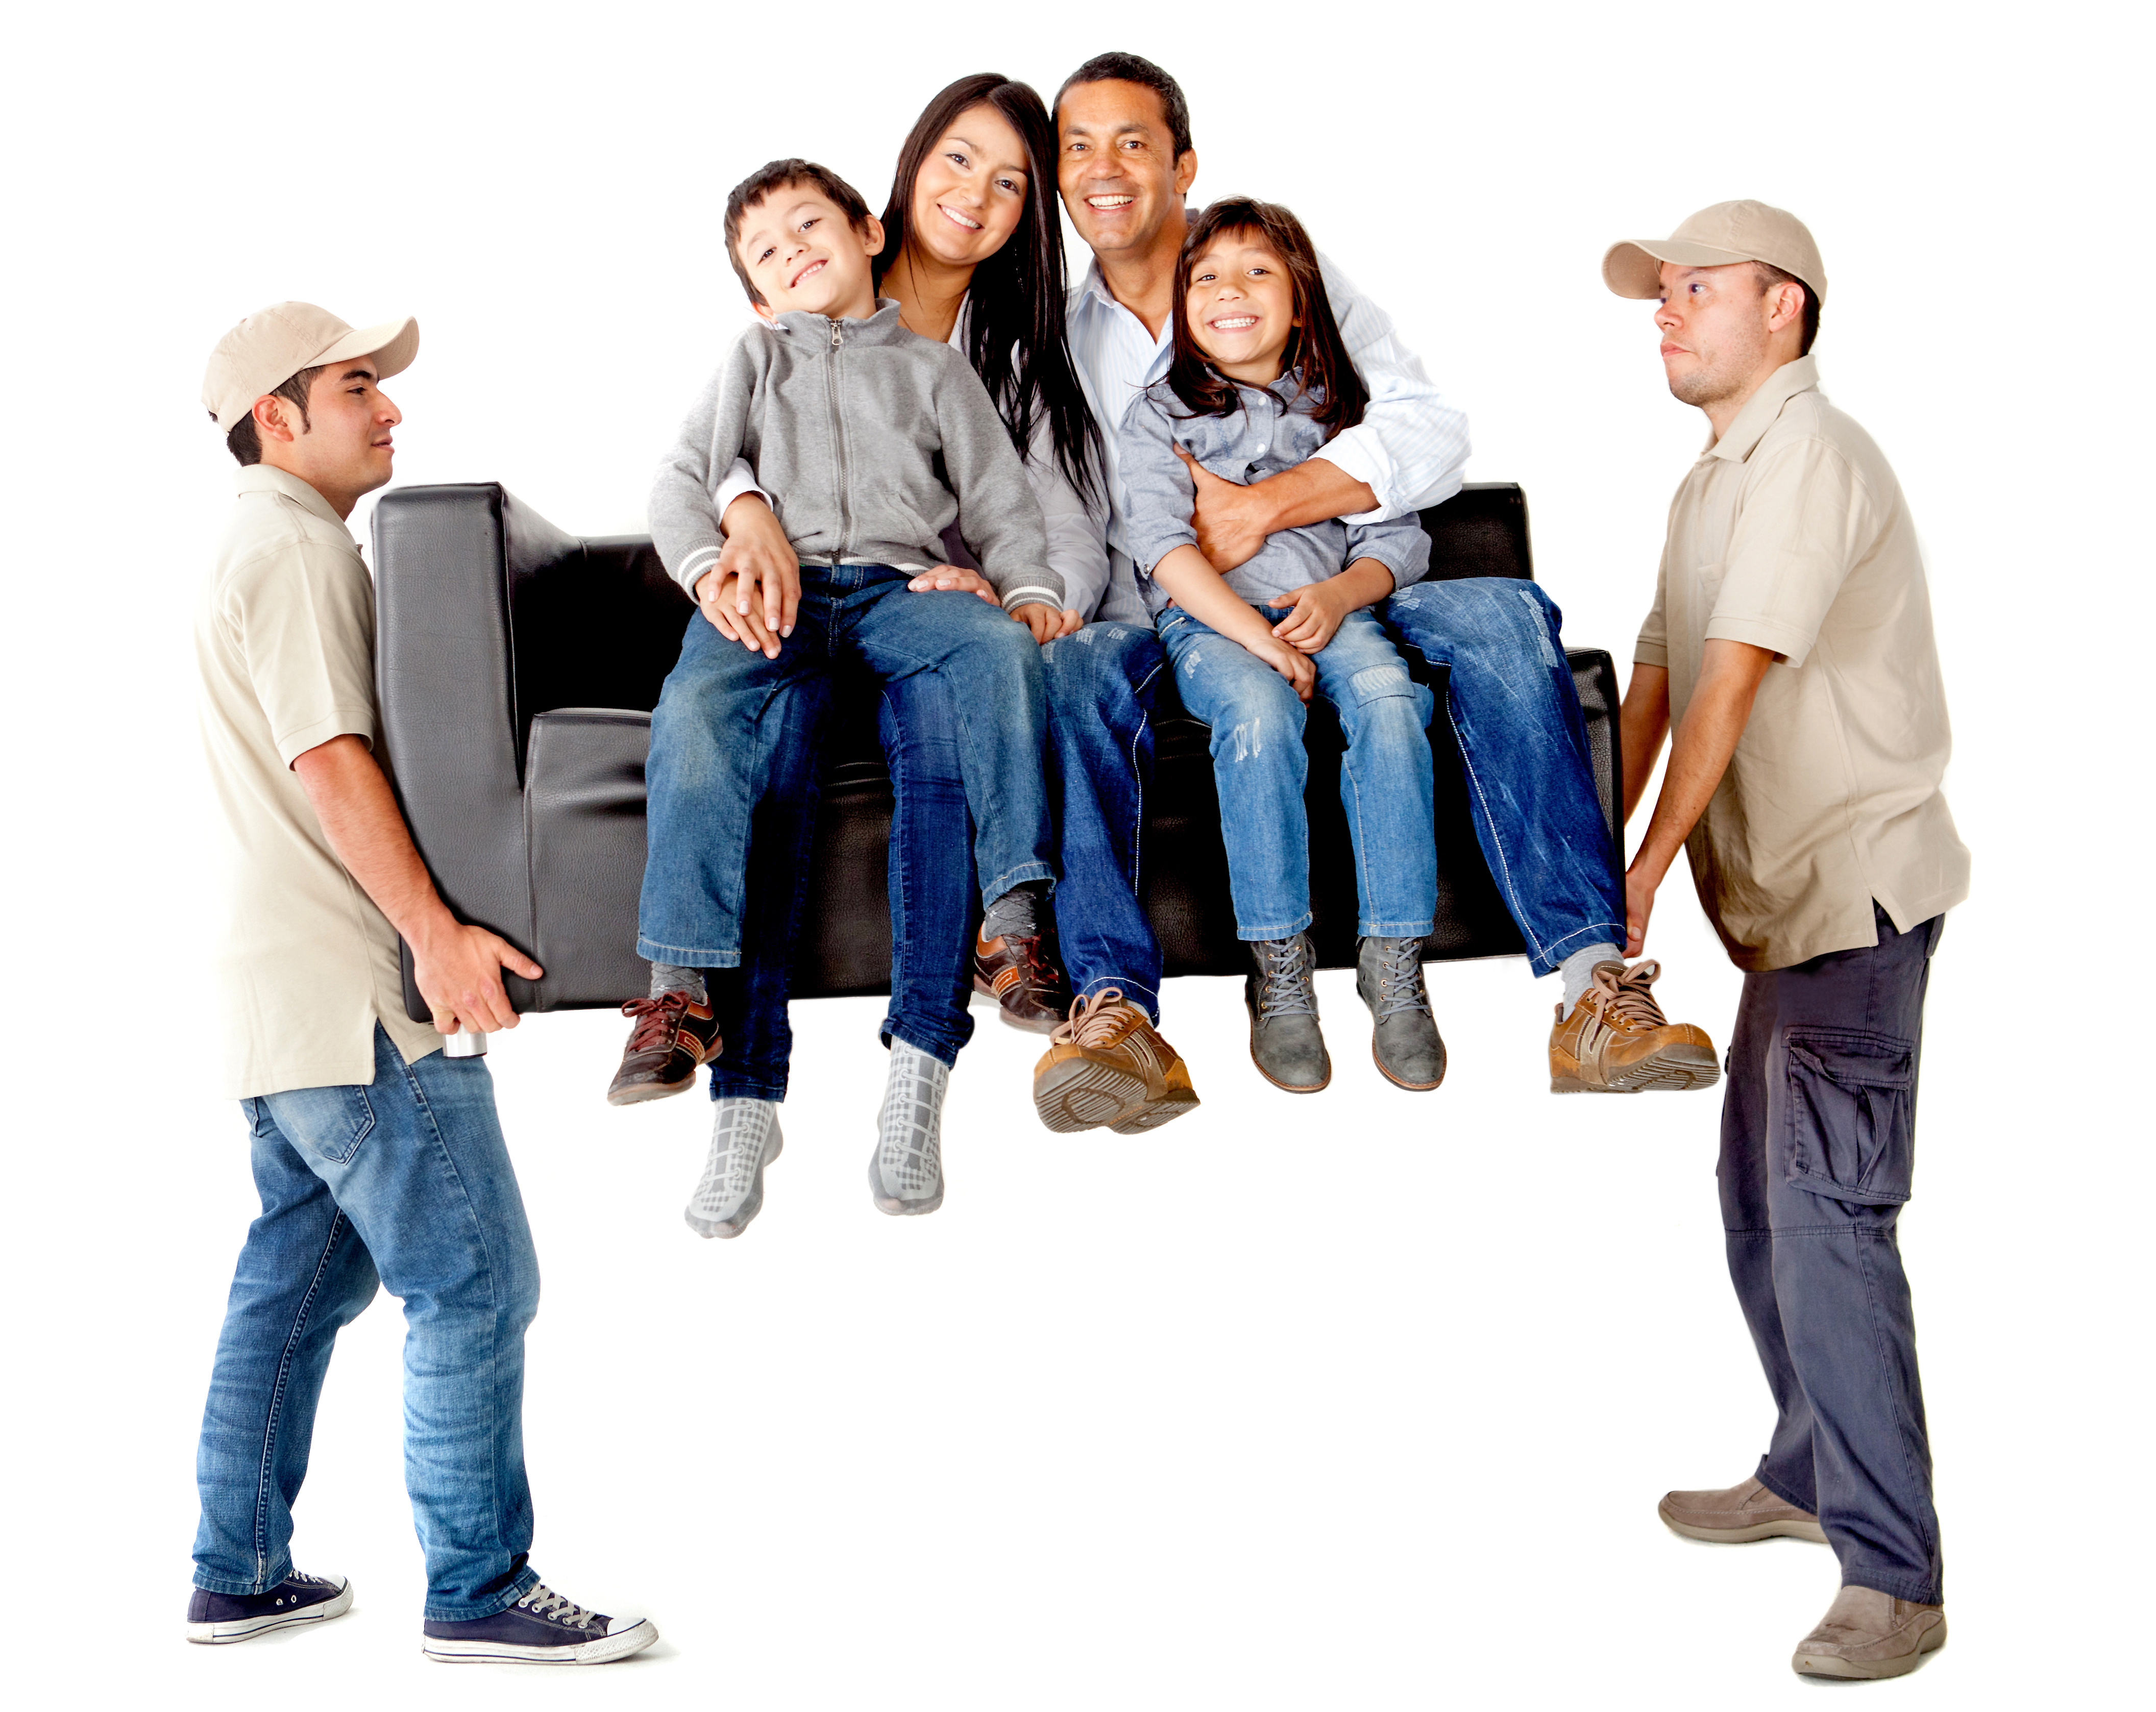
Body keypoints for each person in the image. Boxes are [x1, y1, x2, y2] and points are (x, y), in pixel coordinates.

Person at [1048, 51, 1718, 1101]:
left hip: (1342, 582)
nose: (1106, 168)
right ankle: (1118, 1011)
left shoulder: (1286, 277)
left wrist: (1272, 505)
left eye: (1133, 142)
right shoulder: (1049, 335)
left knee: (1503, 611)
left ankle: (1593, 987)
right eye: (1078, 147)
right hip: (1166, 610)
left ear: (1183, 166)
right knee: (1075, 667)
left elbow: (1428, 433)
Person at [189, 303, 656, 1664]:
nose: (390, 412)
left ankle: (239, 1571)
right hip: (355, 993)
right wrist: (440, 939)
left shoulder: (266, 543)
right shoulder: (291, 547)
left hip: (282, 1000)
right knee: (474, 1277)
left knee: (293, 1279)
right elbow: (331, 759)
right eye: (355, 390)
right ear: (277, 417)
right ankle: (478, 1585)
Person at [1605, 202, 1969, 1680]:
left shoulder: (1810, 457)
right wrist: (1571, 874)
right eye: (1663, 292)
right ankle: (1810, 1466)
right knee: (1759, 1207)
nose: (1667, 311)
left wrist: (1632, 883)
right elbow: (1654, 671)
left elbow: (1734, 681)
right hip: (1781, 919)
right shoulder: (1716, 480)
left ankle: (1896, 1572)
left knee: (1828, 1223)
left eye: (1698, 289)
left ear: (1786, 313)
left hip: (1852, 897)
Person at [628, 158, 1064, 1226]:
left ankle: (1011, 920)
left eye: (809, 226)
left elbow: (1001, 500)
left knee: (997, 650)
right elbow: (683, 478)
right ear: (759, 294)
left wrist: (1029, 587)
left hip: (891, 586)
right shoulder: (753, 358)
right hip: (774, 596)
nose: (793, 253)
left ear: (871, 231)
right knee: (693, 707)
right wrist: (706, 570)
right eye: (767, 253)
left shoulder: (932, 371)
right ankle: (680, 988)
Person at [1120, 197, 1442, 1092]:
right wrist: (1252, 640)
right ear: (1182, 306)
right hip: (1213, 622)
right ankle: (1280, 968)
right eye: (1207, 276)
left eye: (1258, 271)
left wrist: (1341, 596)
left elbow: (1397, 539)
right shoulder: (1156, 416)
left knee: (1386, 696)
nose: (1231, 290)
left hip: (1331, 615)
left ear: (1301, 301)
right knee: (1260, 717)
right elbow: (1161, 548)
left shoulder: (1342, 411)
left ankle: (1394, 959)